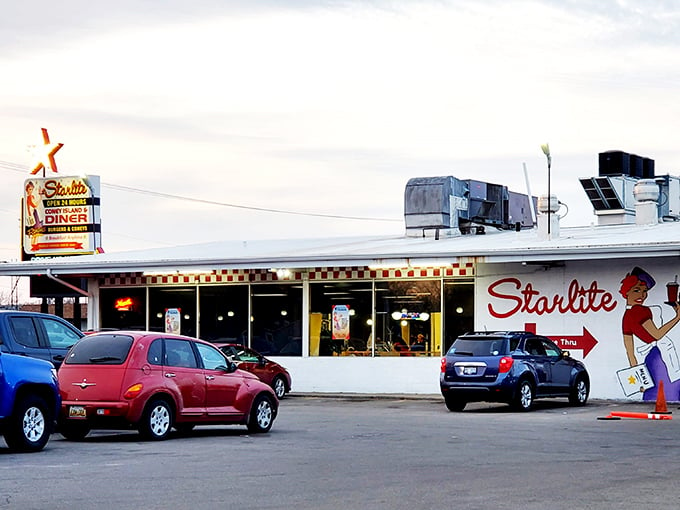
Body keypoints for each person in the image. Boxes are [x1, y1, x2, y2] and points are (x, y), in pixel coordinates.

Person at [620, 266, 680, 401]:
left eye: (644, 291)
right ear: (626, 292)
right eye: (636, 290)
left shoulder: (626, 316)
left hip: (651, 359)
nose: (641, 295)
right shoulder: (640, 311)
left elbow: (630, 353)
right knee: (669, 387)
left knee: (655, 390)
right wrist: (677, 317)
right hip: (661, 357)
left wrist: (638, 379)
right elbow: (657, 335)